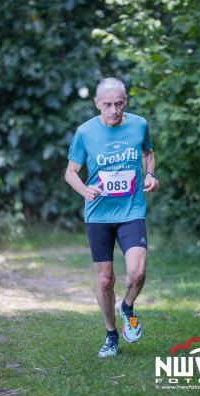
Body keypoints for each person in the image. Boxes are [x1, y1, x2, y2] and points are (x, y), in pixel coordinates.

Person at [65, 77, 160, 358]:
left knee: (138, 272)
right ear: (97, 104)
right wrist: (85, 189)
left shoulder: (139, 124)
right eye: (107, 104)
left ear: (126, 102)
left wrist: (151, 174)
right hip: (99, 214)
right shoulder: (85, 132)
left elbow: (147, 152)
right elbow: (70, 172)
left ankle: (127, 306)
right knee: (105, 280)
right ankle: (110, 335)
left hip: (131, 210)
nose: (114, 110)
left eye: (119, 103)